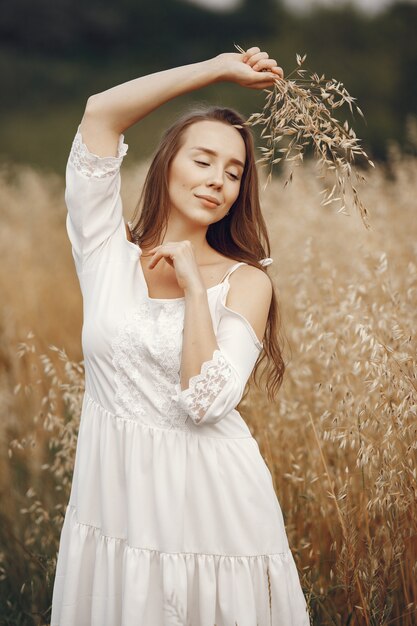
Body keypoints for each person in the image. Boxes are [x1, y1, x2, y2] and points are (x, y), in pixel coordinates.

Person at [50, 46, 310, 626]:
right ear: (168, 162)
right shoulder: (104, 251)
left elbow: (204, 400)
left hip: (213, 514)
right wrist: (217, 69)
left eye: (234, 172)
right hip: (113, 506)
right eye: (203, 160)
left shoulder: (247, 282)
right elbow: (99, 114)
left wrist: (195, 288)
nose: (218, 180)